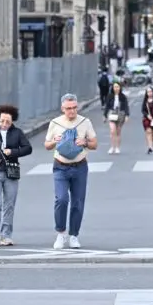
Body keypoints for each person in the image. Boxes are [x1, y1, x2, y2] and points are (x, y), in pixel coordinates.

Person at [44, 93, 98, 249]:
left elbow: (94, 144)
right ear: (63, 108)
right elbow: (47, 145)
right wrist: (54, 141)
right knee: (61, 199)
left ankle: (74, 235)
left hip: (79, 166)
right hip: (60, 166)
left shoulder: (85, 122)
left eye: (74, 108)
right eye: (68, 108)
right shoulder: (55, 123)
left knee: (78, 202)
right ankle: (61, 233)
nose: (72, 111)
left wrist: (85, 142)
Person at [0, 104, 33, 247]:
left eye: (8, 121)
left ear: (12, 121)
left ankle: (6, 235)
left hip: (11, 172)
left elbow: (28, 148)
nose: (4, 124)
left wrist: (12, 152)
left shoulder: (18, 133)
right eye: (2, 120)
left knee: (9, 204)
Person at [103, 82, 130, 154]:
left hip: (120, 114)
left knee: (118, 132)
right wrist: (105, 116)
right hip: (112, 114)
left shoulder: (123, 97)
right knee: (112, 131)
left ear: (120, 88)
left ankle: (117, 147)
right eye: (115, 87)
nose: (116, 88)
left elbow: (126, 107)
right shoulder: (110, 96)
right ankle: (112, 147)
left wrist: (127, 115)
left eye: (117, 87)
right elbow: (107, 107)